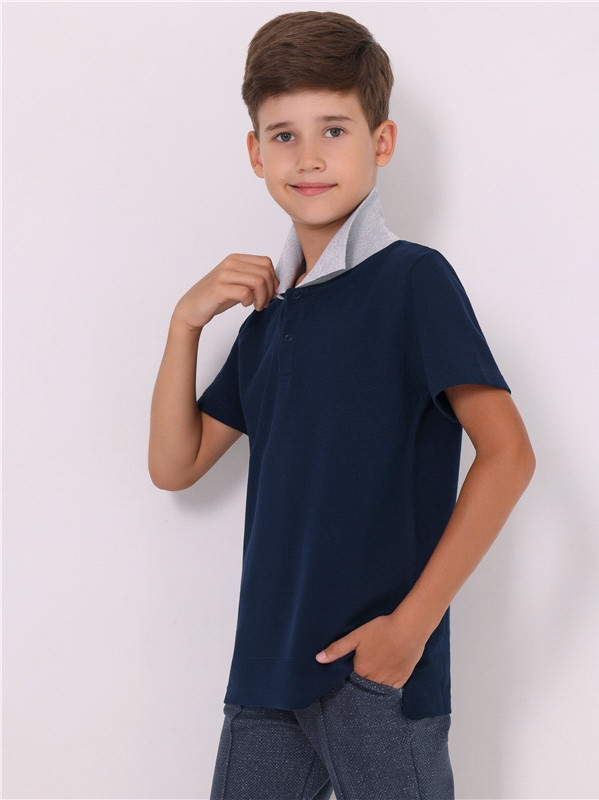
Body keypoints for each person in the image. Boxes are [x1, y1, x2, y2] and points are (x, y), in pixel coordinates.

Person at [149, 10, 536, 800]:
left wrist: (409, 631)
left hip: (374, 675)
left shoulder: (412, 282)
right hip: (266, 673)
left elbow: (508, 456)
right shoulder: (268, 319)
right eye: (284, 135)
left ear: (380, 141)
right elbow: (175, 465)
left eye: (333, 129)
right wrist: (184, 322)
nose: (309, 157)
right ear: (255, 153)